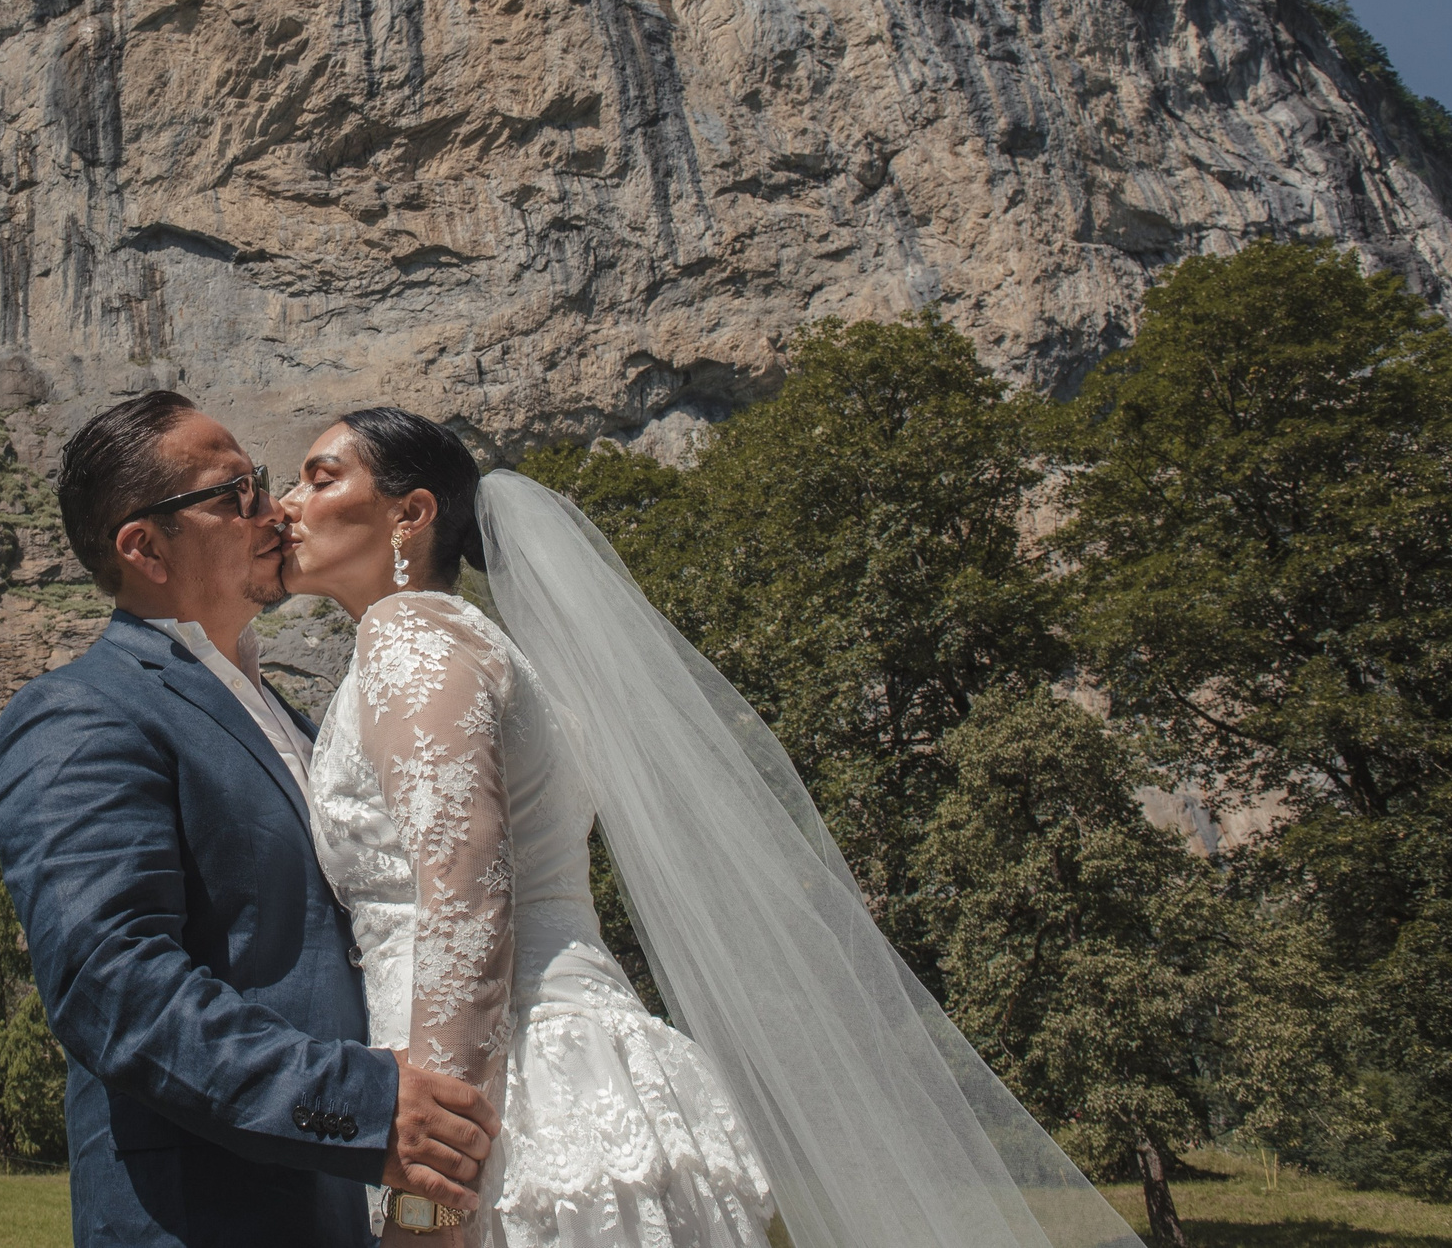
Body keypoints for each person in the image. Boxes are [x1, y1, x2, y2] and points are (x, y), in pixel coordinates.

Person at [278, 408, 1147, 1248]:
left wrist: (432, 1189)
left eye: (321, 478)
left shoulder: (409, 640)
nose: (288, 501)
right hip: (559, 1072)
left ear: (412, 512)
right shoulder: (465, 644)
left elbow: (467, 900)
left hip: (509, 1100)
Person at [0, 390, 502, 1248]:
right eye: (237, 492)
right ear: (145, 545)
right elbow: (113, 986)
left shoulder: (301, 723)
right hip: (210, 1218)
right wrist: (366, 1107)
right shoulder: (79, 714)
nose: (277, 509)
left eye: (263, 482)